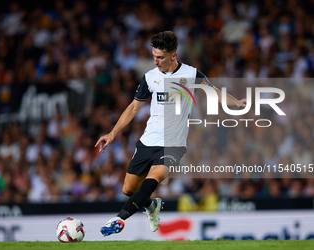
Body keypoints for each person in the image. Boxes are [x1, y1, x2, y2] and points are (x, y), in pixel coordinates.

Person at [95, 31, 246, 236]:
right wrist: (112, 133)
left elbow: (214, 92)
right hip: (149, 139)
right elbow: (133, 108)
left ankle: (119, 219)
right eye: (154, 56)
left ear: (174, 56)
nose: (156, 61)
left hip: (173, 143)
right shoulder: (150, 77)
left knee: (152, 180)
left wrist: (236, 102)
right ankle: (152, 206)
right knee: (129, 190)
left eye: (160, 57)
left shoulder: (191, 74)